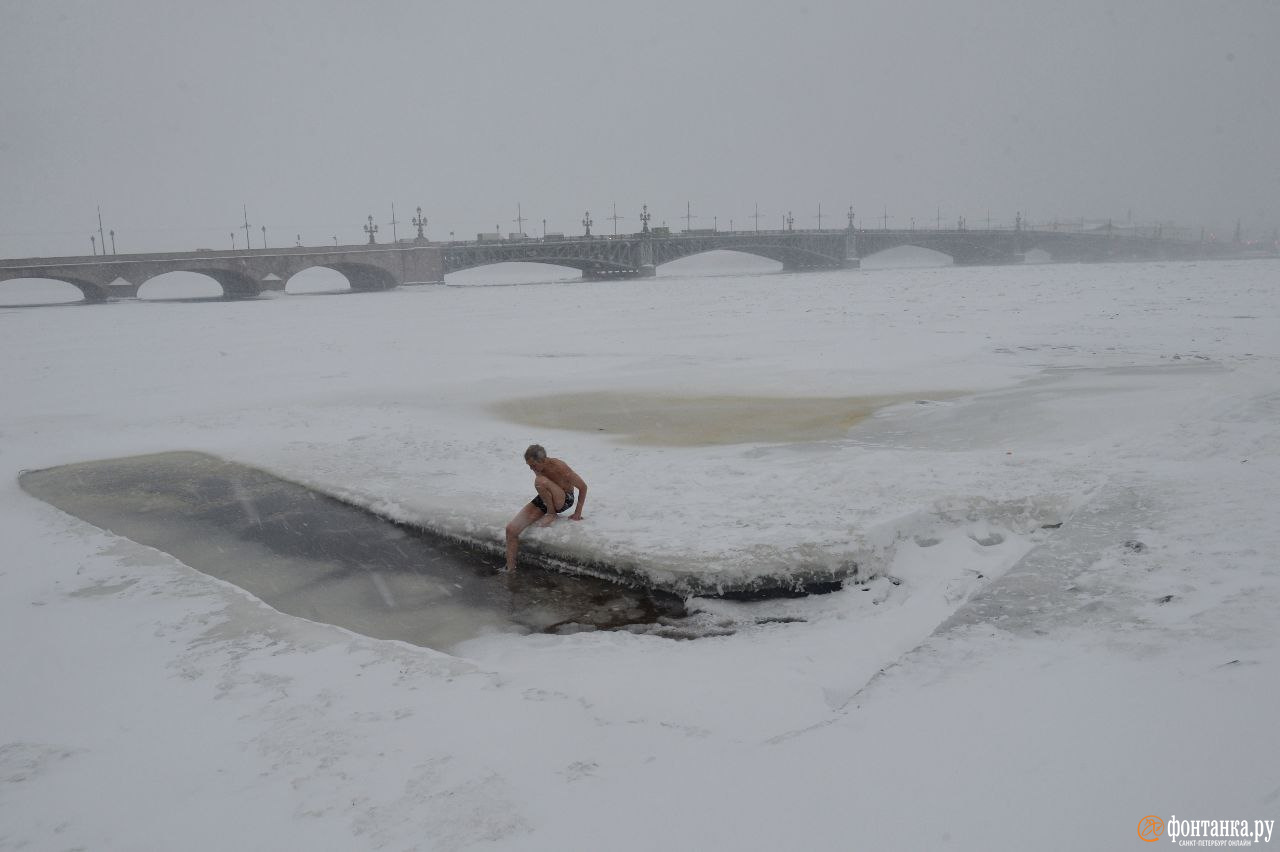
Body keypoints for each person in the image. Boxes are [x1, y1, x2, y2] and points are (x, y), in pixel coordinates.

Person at [504, 444, 587, 572]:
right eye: (529, 466)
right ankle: (510, 571)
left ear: (543, 460)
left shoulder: (560, 467)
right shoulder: (538, 468)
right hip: (547, 497)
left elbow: (583, 487)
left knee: (540, 481)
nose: (532, 469)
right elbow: (544, 487)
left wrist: (577, 513)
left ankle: (551, 513)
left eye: (533, 465)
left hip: (564, 499)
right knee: (510, 529)